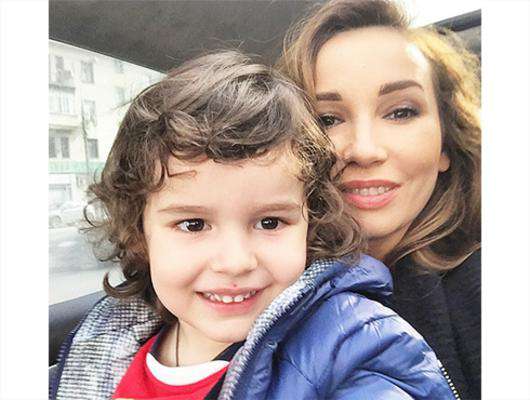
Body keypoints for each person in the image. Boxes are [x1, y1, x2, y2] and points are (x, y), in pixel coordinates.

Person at [49, 50, 456, 400]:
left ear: (310, 223)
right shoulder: (102, 347)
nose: (235, 261)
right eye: (193, 224)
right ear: (140, 235)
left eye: (269, 222)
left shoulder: (354, 345)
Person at [279, 0, 481, 399]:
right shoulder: (240, 288)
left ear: (445, 142)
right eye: (327, 119)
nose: (365, 150)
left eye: (400, 112)